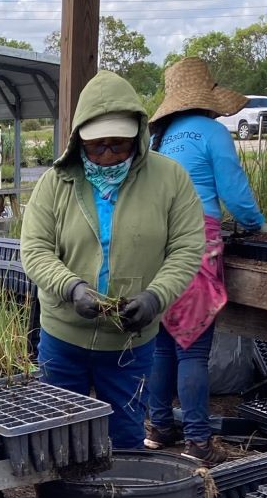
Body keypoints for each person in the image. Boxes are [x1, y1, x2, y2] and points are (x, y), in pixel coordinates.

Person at [21, 70, 205, 447]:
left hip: (129, 345)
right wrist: (71, 288)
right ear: (78, 142)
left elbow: (187, 248)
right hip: (63, 336)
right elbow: (35, 249)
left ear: (138, 137)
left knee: (124, 437)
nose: (107, 156)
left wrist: (155, 297)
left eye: (118, 145)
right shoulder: (56, 183)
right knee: (56, 440)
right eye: (97, 146)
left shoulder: (170, 179)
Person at [145, 58, 267, 465]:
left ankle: (158, 427)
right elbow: (234, 194)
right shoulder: (213, 132)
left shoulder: (158, 140)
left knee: (164, 343)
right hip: (195, 241)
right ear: (208, 100)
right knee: (193, 348)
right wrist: (258, 226)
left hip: (155, 243)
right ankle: (198, 442)